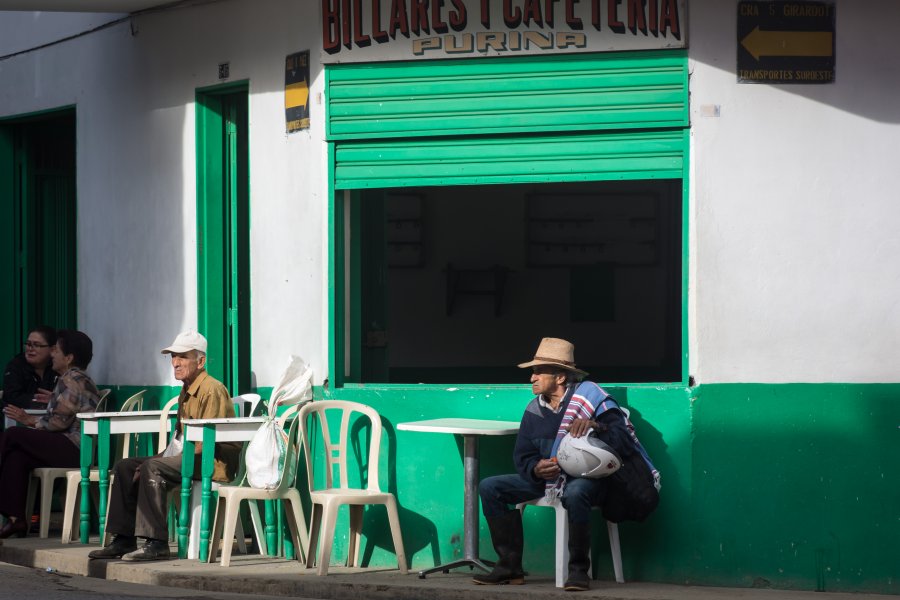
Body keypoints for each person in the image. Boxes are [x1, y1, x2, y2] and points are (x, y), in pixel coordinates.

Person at [474, 337, 636, 592]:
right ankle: (509, 566)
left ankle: (579, 571)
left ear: (560, 377)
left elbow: (624, 442)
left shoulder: (591, 399)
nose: (532, 378)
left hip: (591, 481)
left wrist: (596, 426)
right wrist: (535, 468)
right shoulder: (533, 411)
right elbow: (523, 456)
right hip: (548, 482)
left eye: (539, 371)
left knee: (575, 491)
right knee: (489, 487)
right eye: (533, 372)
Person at [88, 330, 240, 561]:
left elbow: (204, 444)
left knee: (153, 468)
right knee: (125, 467)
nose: (175, 363)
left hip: (212, 461)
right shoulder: (186, 391)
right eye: (173, 357)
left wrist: (157, 462)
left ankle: (156, 543)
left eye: (182, 357)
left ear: (200, 361)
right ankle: (123, 539)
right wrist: (156, 458)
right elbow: (178, 441)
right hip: (191, 455)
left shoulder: (211, 389)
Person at [0, 329, 101, 538]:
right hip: (75, 448)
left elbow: (59, 422)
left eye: (56, 350)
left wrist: (31, 421)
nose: (52, 355)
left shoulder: (71, 378)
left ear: (69, 358)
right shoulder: (73, 378)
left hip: (76, 448)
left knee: (13, 435)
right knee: (17, 457)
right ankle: (16, 519)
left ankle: (15, 517)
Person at [2, 325, 59, 410]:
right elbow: (10, 396)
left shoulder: (58, 365)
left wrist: (55, 400)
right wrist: (36, 398)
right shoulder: (16, 365)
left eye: (36, 345)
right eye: (28, 344)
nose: (30, 349)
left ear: (52, 349)